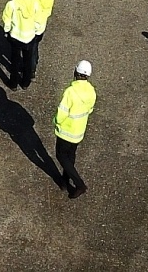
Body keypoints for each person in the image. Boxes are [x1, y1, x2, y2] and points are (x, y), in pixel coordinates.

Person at [54, 60, 97, 199]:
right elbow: (90, 109)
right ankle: (64, 180)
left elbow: (62, 112)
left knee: (61, 156)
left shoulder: (70, 92)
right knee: (71, 155)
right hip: (79, 130)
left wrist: (55, 121)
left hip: (66, 130)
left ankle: (79, 184)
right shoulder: (91, 90)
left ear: (75, 72)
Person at [2, 0, 40, 90]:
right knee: (27, 61)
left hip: (15, 37)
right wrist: (36, 31)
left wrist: (7, 31)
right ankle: (25, 83)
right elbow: (38, 20)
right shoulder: (35, 3)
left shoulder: (12, 4)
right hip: (30, 37)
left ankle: (13, 84)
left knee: (15, 61)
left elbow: (6, 20)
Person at [27, 0, 54, 85]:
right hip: (41, 28)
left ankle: (31, 71)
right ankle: (35, 62)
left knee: (30, 51)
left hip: (31, 29)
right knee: (35, 47)